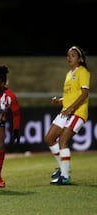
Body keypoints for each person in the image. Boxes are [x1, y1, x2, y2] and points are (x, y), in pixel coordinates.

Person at [44, 46, 90, 185]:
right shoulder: (69, 74)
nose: (69, 58)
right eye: (68, 55)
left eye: (73, 55)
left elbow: (84, 94)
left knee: (63, 140)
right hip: (66, 111)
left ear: (80, 58)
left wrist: (71, 108)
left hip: (78, 112)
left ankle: (65, 176)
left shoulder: (83, 72)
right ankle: (65, 166)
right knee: (49, 138)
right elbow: (71, 95)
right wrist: (60, 101)